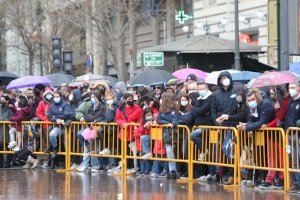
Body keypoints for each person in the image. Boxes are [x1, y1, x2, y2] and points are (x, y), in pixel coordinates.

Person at [189, 82, 216, 181]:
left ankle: (212, 172)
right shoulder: (199, 99)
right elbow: (195, 110)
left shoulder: (210, 98)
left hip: (208, 127)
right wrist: (196, 111)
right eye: (199, 89)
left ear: (207, 88)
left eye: (202, 88)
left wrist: (196, 111)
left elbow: (202, 110)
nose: (200, 91)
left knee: (192, 135)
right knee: (207, 153)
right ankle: (209, 172)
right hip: (200, 126)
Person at [76, 91, 107, 172]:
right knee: (80, 135)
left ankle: (95, 164)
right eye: (92, 97)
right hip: (90, 127)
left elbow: (98, 116)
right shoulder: (91, 106)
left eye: (94, 97)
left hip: (97, 128)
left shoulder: (102, 107)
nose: (93, 98)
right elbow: (87, 116)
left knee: (94, 145)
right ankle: (86, 163)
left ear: (98, 98)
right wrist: (89, 118)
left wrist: (92, 118)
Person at [114, 92, 143, 174]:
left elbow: (138, 117)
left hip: (133, 133)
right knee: (123, 150)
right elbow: (117, 119)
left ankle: (132, 166)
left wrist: (130, 122)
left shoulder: (137, 108)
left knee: (132, 151)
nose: (131, 100)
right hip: (123, 132)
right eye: (129, 99)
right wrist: (122, 123)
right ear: (124, 100)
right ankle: (124, 166)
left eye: (131, 99)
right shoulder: (120, 109)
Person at [45, 91, 74, 168]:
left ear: (61, 97)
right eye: (54, 96)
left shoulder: (65, 104)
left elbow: (67, 114)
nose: (55, 98)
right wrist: (56, 119)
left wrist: (57, 117)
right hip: (57, 126)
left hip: (65, 127)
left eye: (57, 96)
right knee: (52, 134)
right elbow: (50, 116)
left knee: (66, 144)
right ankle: (55, 149)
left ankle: (69, 161)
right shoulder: (52, 105)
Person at [157, 92, 182, 179]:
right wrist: (167, 123)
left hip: (174, 133)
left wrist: (173, 123)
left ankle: (173, 170)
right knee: (169, 151)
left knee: (171, 151)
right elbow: (158, 120)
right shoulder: (161, 110)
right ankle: (172, 170)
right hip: (166, 133)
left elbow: (176, 119)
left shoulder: (175, 109)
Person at [284, 82, 300, 192]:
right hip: (289, 134)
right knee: (293, 160)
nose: (291, 89)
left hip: (298, 135)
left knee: (298, 159)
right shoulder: (290, 101)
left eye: (293, 87)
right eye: (290, 87)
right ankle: (296, 183)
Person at [135, 107, 154, 176]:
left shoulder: (155, 120)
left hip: (151, 138)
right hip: (143, 141)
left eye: (150, 115)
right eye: (147, 115)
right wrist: (145, 126)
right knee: (143, 154)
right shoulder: (142, 121)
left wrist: (152, 123)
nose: (149, 116)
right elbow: (140, 130)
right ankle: (143, 170)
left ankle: (147, 169)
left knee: (145, 153)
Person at [0, 95, 13, 168]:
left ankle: (8, 163)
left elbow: (12, 117)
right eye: (1, 100)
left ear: (7, 101)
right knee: (0, 147)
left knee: (9, 146)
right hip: (0, 130)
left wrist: (4, 120)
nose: (2, 101)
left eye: (3, 100)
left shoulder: (10, 108)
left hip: (8, 130)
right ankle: (1, 163)